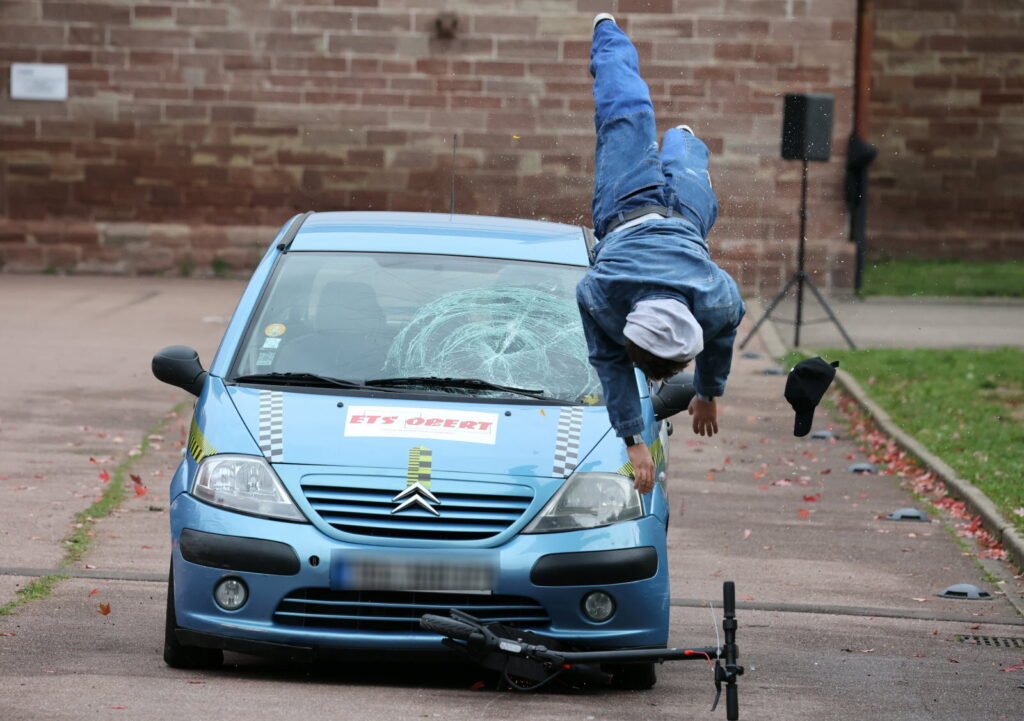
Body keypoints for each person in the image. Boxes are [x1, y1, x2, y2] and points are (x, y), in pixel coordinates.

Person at [577, 14, 745, 495]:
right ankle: (683, 145)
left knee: (629, 110)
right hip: (686, 215)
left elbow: (613, 367)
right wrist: (708, 394)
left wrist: (705, 396)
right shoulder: (712, 301)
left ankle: (608, 36)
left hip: (627, 203)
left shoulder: (605, 294)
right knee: (672, 146)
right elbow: (611, 366)